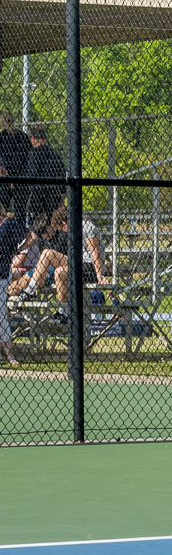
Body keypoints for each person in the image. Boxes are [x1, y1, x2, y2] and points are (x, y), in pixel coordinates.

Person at [0, 212, 33, 365]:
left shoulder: (9, 225)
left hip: (1, 273)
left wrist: (18, 250)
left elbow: (32, 236)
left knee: (1, 315)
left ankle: (9, 354)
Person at [24, 126, 66, 221]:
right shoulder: (55, 154)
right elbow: (62, 176)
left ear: (34, 139)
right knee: (52, 223)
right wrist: (61, 199)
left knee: (36, 224)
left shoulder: (33, 154)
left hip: (38, 195)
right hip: (54, 195)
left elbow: (31, 177)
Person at [0, 111, 31, 221]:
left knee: (5, 207)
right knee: (19, 211)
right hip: (18, 177)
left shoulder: (3, 137)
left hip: (10, 176)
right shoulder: (23, 137)